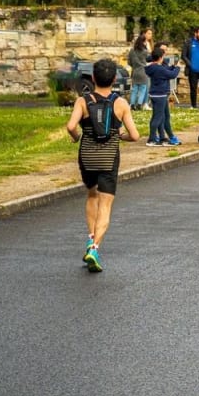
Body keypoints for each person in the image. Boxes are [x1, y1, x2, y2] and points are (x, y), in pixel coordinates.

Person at [65, 57, 141, 272]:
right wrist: (120, 136)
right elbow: (135, 136)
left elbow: (70, 126)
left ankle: (90, 239)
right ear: (115, 79)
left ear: (92, 78)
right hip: (109, 158)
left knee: (92, 196)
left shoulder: (83, 101)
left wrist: (76, 136)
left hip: (87, 156)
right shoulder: (121, 103)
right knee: (105, 204)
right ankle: (95, 248)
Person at [144, 46, 182, 146]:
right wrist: (178, 67)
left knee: (159, 116)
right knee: (158, 117)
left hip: (155, 94)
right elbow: (172, 75)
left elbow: (167, 70)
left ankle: (161, 138)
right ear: (160, 57)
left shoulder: (152, 67)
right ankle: (151, 139)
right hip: (160, 95)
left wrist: (173, 66)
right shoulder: (159, 69)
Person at [127, 30, 151, 110]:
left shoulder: (132, 51)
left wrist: (134, 66)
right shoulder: (145, 51)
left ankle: (132, 104)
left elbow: (129, 62)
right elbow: (148, 60)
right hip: (143, 71)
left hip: (135, 71)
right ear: (143, 42)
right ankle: (139, 104)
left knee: (134, 89)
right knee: (143, 89)